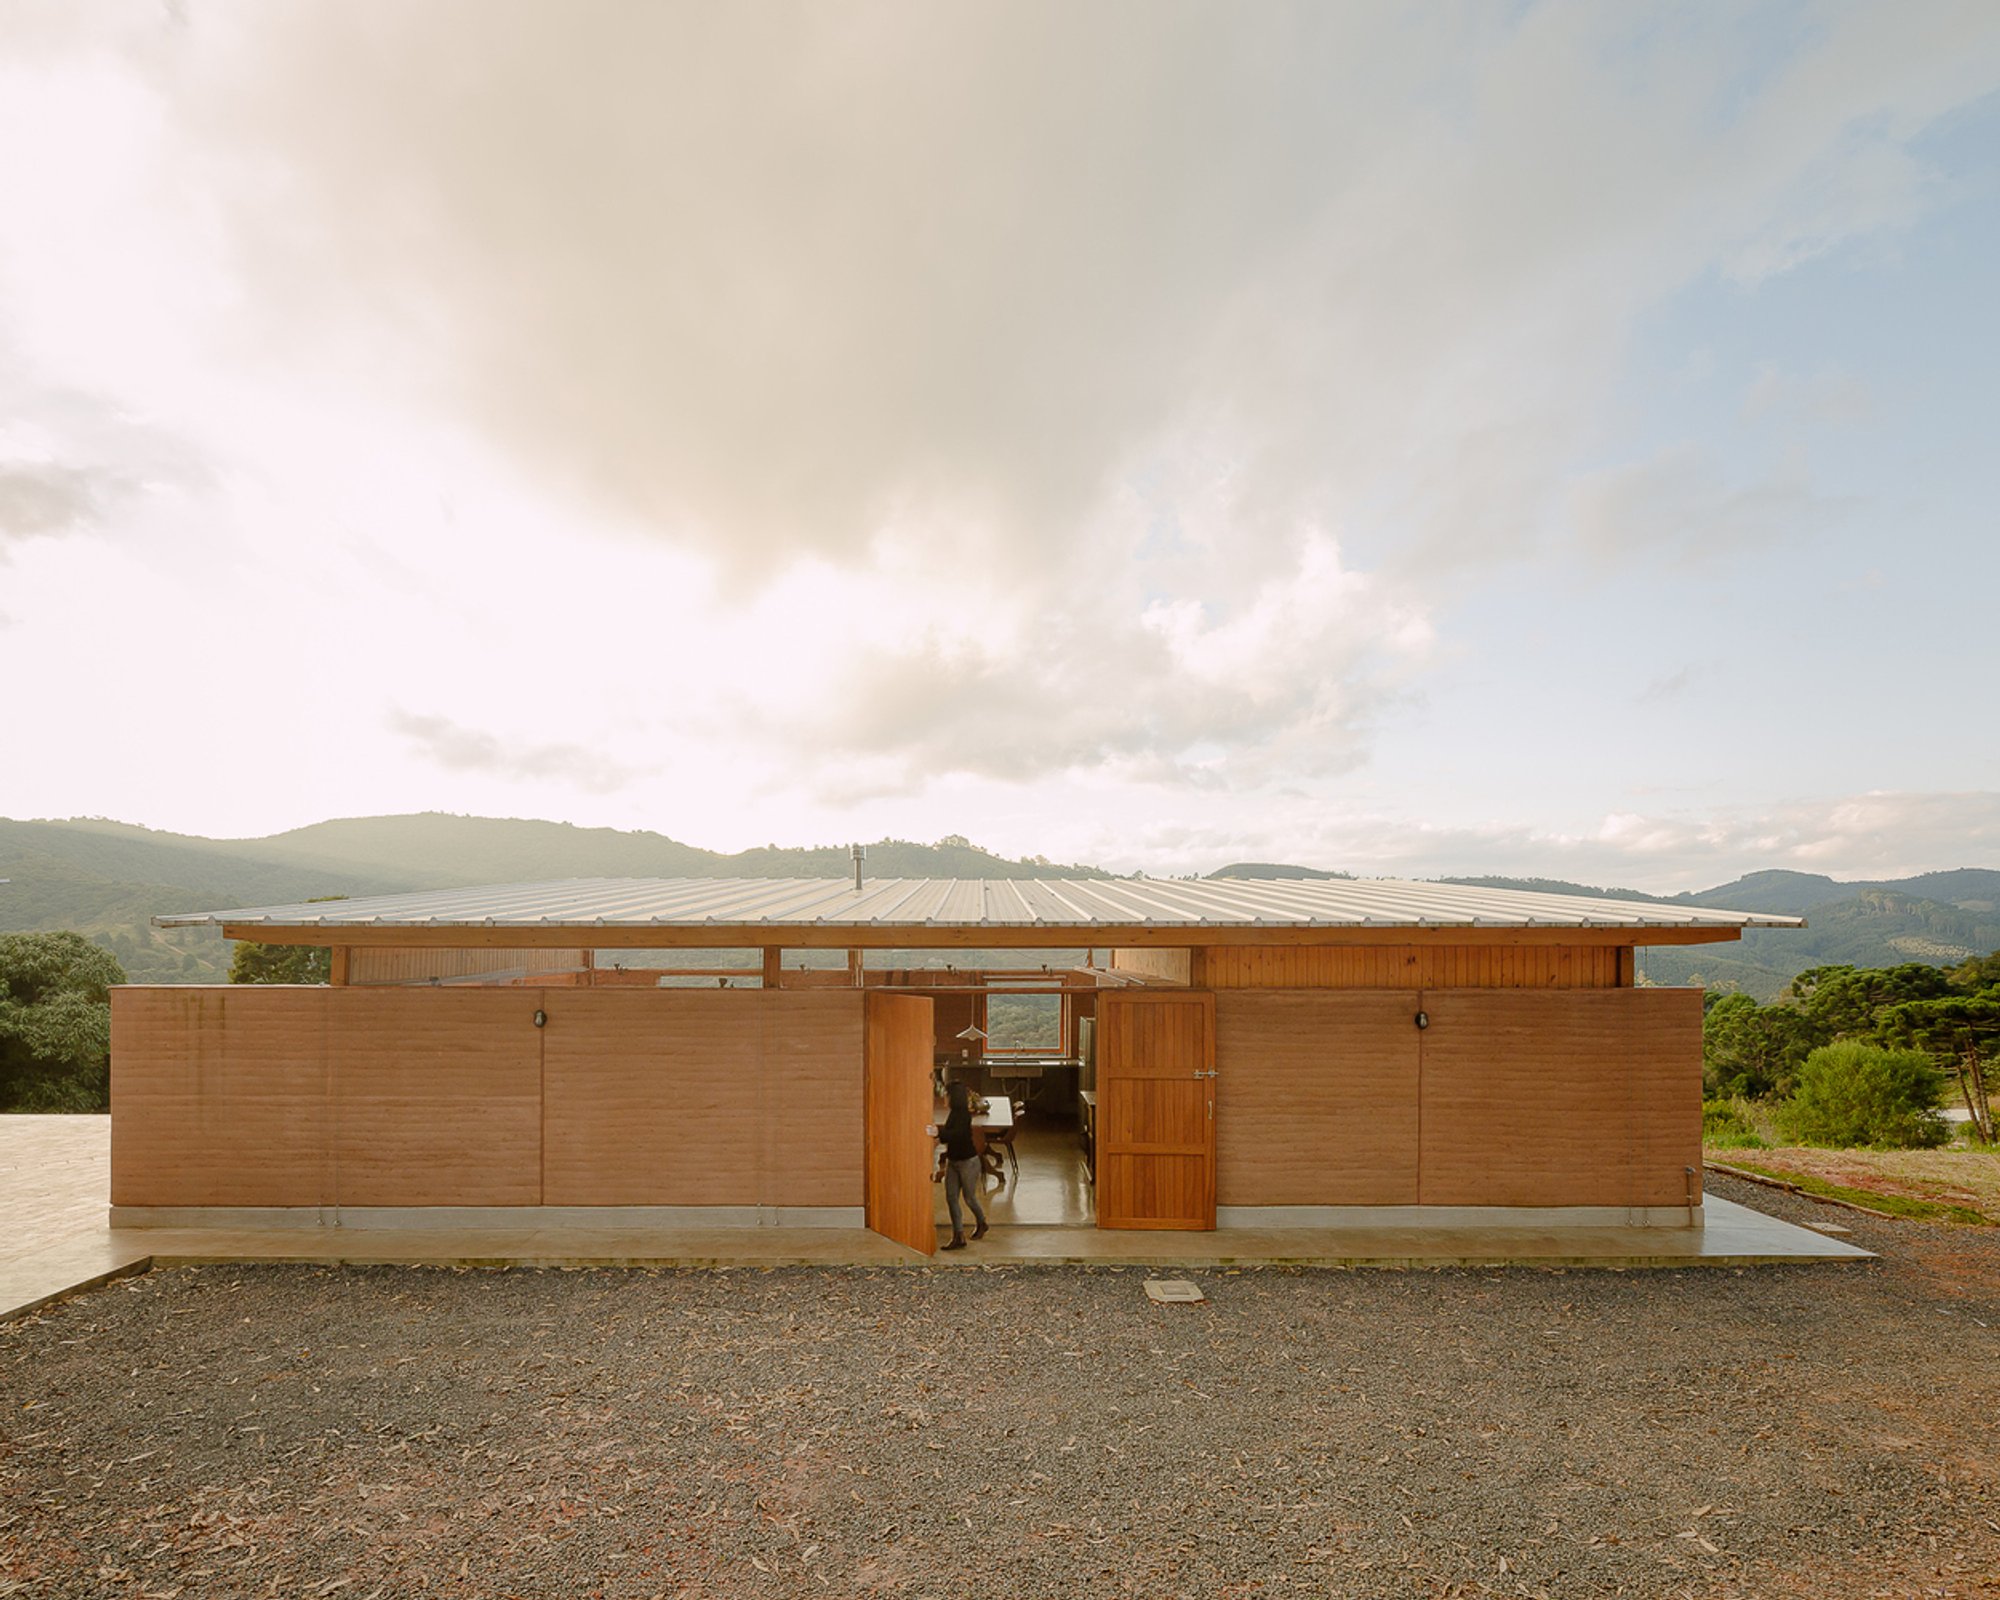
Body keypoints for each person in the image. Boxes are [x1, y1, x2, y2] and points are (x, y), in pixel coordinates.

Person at [934, 1079, 989, 1250]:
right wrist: (939, 1134)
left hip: (968, 1162)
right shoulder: (953, 1113)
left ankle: (981, 1222)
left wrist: (939, 1132)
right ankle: (958, 1236)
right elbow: (948, 1135)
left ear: (954, 1097)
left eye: (946, 1095)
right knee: (951, 1198)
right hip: (953, 1160)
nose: (944, 1098)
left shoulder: (964, 1115)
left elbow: (957, 1134)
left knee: (969, 1197)